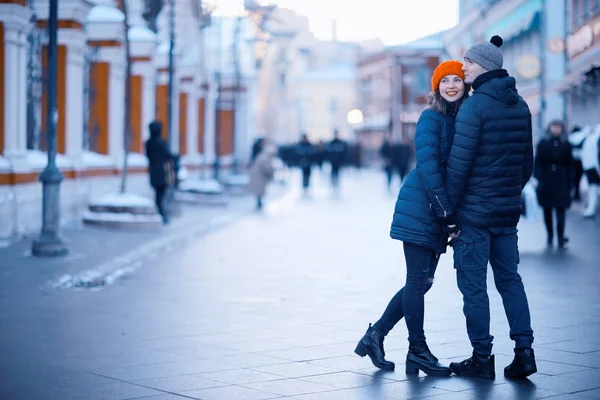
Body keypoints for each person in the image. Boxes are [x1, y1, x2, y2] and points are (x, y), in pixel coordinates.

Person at [355, 60, 468, 376]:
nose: (450, 85)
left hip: (437, 209)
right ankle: (417, 350)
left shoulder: (463, 119)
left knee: (424, 282)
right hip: (423, 206)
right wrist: (446, 213)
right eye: (444, 80)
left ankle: (375, 334)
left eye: (456, 79)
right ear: (436, 87)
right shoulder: (431, 118)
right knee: (418, 281)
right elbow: (430, 166)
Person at [445, 35, 536, 379]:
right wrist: (509, 194)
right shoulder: (520, 104)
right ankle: (524, 352)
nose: (462, 66)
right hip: (506, 213)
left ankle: (482, 357)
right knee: (510, 281)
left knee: (473, 286)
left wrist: (448, 213)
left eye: (467, 61)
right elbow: (527, 162)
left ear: (483, 65)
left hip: (474, 215)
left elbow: (458, 167)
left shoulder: (475, 106)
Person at [534, 120, 573, 248]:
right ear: (549, 128)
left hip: (561, 180)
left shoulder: (566, 144)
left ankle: (561, 237)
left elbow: (570, 164)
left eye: (558, 127)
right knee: (547, 210)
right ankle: (550, 235)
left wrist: (570, 180)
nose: (556, 129)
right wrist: (539, 178)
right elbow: (538, 162)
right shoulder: (543, 143)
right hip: (547, 180)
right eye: (553, 127)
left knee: (561, 209)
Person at [145, 121, 175, 224]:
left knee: (158, 194)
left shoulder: (148, 143)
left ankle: (161, 213)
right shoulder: (161, 143)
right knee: (161, 195)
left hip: (153, 172)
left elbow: (148, 156)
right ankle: (162, 214)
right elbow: (169, 155)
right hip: (162, 172)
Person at [248, 142, 277, 210]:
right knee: (259, 190)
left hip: (259, 175)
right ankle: (259, 203)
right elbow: (266, 167)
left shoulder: (263, 155)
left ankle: (259, 203)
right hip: (259, 176)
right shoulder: (265, 157)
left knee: (259, 190)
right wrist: (271, 172)